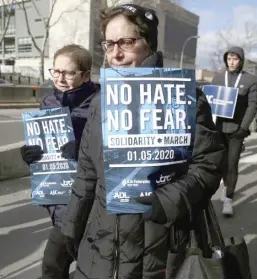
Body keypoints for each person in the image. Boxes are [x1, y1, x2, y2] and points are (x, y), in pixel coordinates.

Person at [61, 4, 225, 279]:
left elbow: (208, 166)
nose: (115, 52)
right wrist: (71, 227)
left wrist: (165, 202)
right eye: (109, 43)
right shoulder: (101, 102)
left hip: (158, 248)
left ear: (148, 43)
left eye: (126, 41)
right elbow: (87, 173)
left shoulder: (185, 97)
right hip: (99, 248)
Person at [20, 44, 99, 278]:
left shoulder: (101, 102)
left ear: (85, 75)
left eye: (68, 72)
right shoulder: (48, 103)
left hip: (93, 205)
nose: (60, 78)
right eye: (55, 71)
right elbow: (43, 149)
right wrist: (31, 155)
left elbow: (116, 151)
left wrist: (85, 148)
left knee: (91, 269)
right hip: (61, 203)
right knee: (52, 268)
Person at [211, 46, 257, 216]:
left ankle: (229, 199)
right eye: (229, 59)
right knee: (222, 163)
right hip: (219, 129)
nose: (231, 62)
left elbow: (253, 105)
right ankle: (227, 186)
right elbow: (209, 101)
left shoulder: (250, 80)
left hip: (237, 130)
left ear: (241, 61)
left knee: (232, 164)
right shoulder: (217, 78)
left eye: (235, 59)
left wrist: (243, 128)